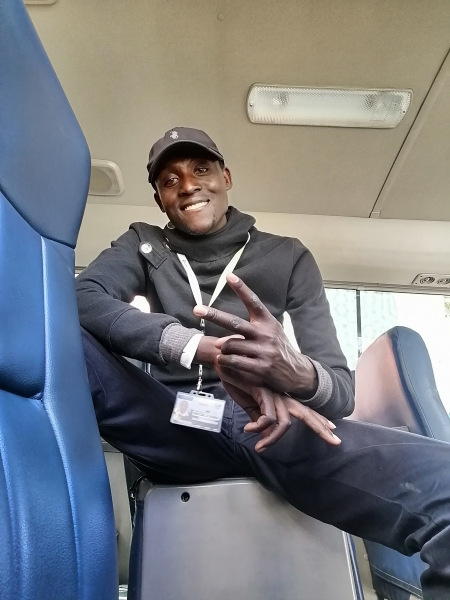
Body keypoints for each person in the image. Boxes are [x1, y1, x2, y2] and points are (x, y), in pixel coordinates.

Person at [76, 127, 450, 599]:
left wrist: (295, 372)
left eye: (201, 169)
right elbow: (83, 297)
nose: (188, 185)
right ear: (160, 200)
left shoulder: (287, 255)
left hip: (269, 421)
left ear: (226, 177)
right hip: (171, 417)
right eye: (170, 180)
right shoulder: (143, 243)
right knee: (59, 333)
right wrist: (206, 348)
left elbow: (340, 390)